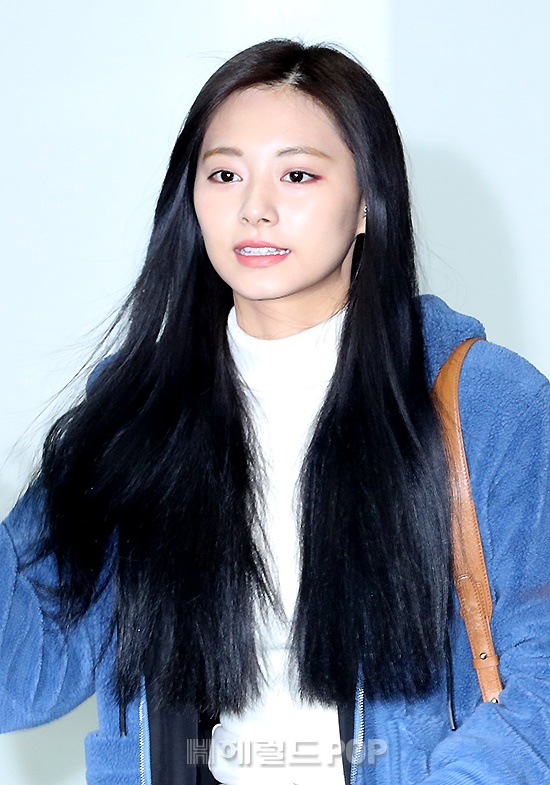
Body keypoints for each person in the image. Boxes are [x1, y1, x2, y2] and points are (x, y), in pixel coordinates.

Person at [1, 38, 549, 785]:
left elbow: (540, 679)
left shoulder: (485, 403)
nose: (254, 208)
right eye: (224, 174)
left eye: (296, 174)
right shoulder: (135, 413)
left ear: (367, 202)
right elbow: (24, 675)